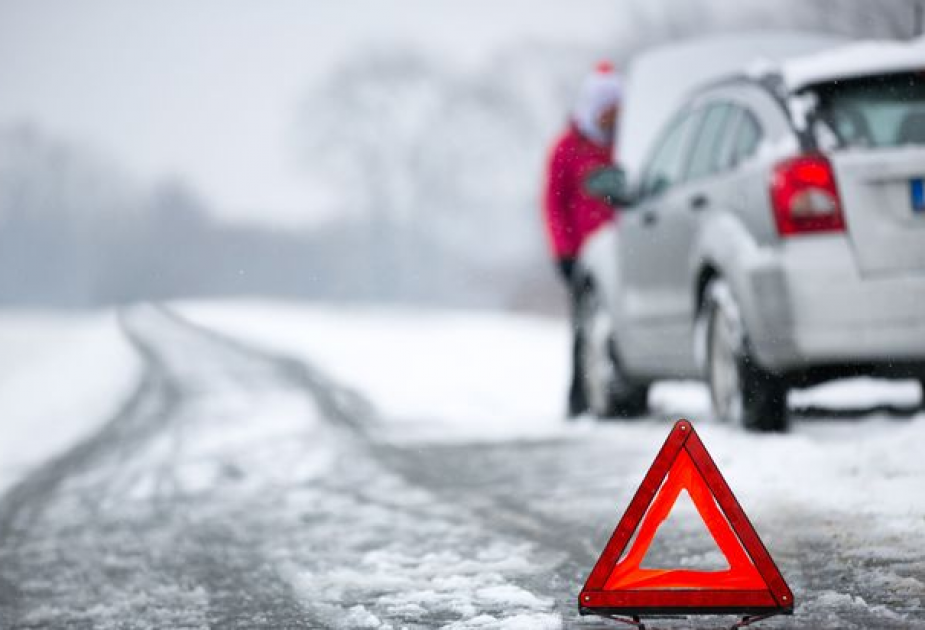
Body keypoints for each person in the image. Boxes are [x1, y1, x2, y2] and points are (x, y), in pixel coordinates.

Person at [542, 61, 622, 417]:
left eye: (616, 110)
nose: (611, 118)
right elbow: (553, 204)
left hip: (622, 252)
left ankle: (622, 394)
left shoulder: (624, 143)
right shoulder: (567, 148)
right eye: (606, 110)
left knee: (619, 322)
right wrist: (564, 253)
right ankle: (580, 399)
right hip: (584, 255)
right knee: (584, 327)